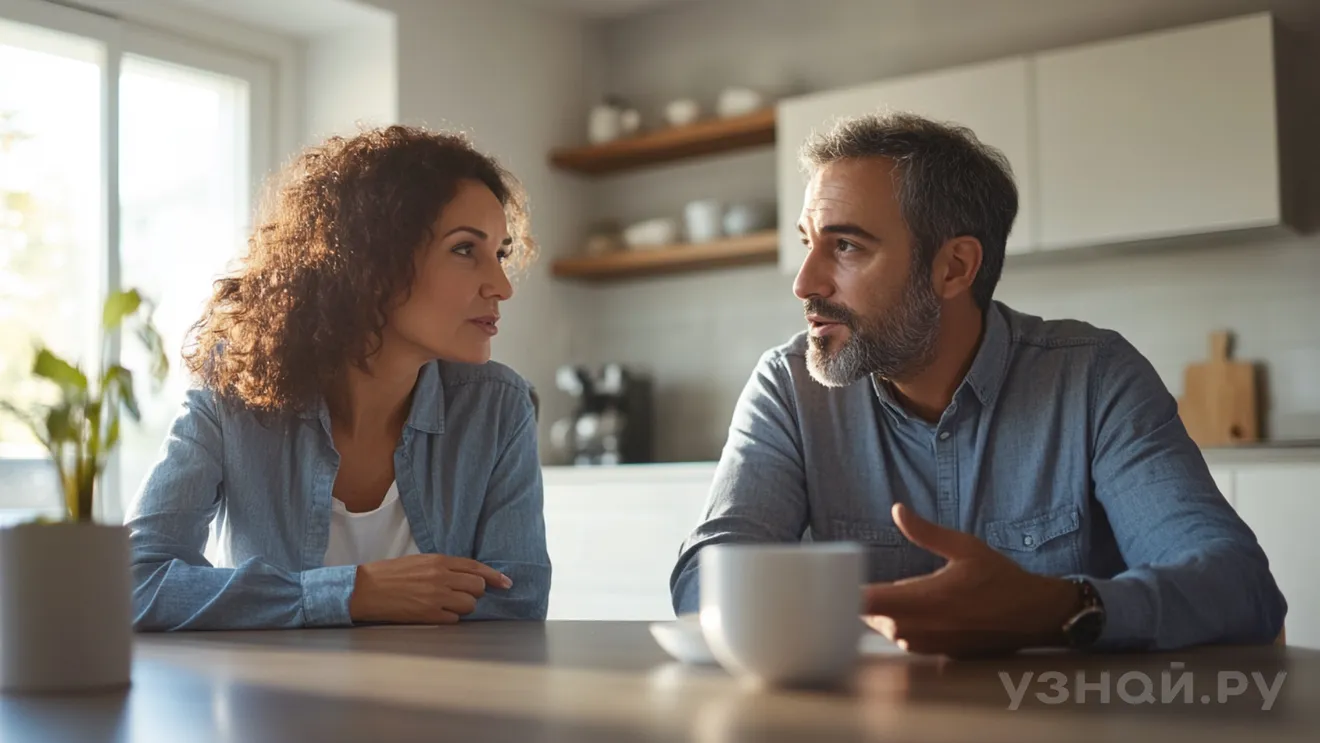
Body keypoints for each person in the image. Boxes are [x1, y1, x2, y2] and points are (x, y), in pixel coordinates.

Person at [669, 112, 1286, 654]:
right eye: (808, 243)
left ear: (954, 267)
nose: (804, 283)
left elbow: (1238, 588)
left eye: (847, 246)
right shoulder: (789, 388)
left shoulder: (1093, 377)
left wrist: (1056, 609)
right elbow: (709, 573)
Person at [127, 125, 550, 630]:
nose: (501, 285)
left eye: (501, 254)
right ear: (369, 260)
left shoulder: (498, 407)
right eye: (465, 250)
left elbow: (517, 602)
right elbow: (132, 586)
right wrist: (352, 593)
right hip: (274, 708)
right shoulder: (233, 397)